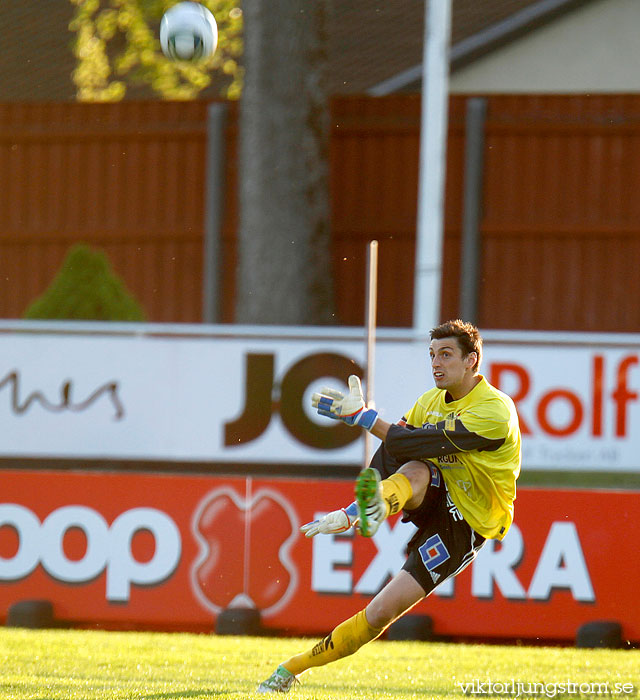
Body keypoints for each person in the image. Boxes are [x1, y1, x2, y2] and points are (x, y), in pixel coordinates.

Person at [257, 319, 521, 694]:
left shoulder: (495, 411)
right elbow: (395, 450)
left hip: (467, 523)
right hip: (432, 487)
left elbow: (419, 444)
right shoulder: (429, 402)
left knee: (381, 612)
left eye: (446, 355)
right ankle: (281, 679)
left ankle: (294, 666)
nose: (436, 363)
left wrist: (364, 418)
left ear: (471, 360)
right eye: (432, 355)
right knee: (415, 470)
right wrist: (354, 510)